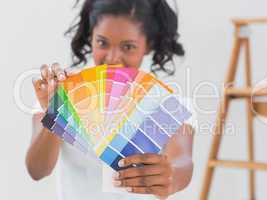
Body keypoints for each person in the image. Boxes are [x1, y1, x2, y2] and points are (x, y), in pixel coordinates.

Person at [26, 0, 196, 199]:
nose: (113, 58)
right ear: (91, 38)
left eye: (128, 47)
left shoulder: (166, 102)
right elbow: (37, 171)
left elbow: (182, 162)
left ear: (148, 45)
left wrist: (171, 175)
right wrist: (57, 113)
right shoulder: (59, 92)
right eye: (102, 43)